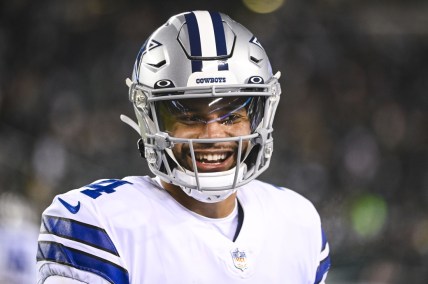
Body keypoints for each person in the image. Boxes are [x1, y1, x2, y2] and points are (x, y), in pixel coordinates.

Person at [37, 11, 331, 283]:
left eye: (231, 116)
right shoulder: (96, 223)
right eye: (190, 116)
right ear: (152, 122)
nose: (213, 134)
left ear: (258, 120)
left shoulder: (297, 221)